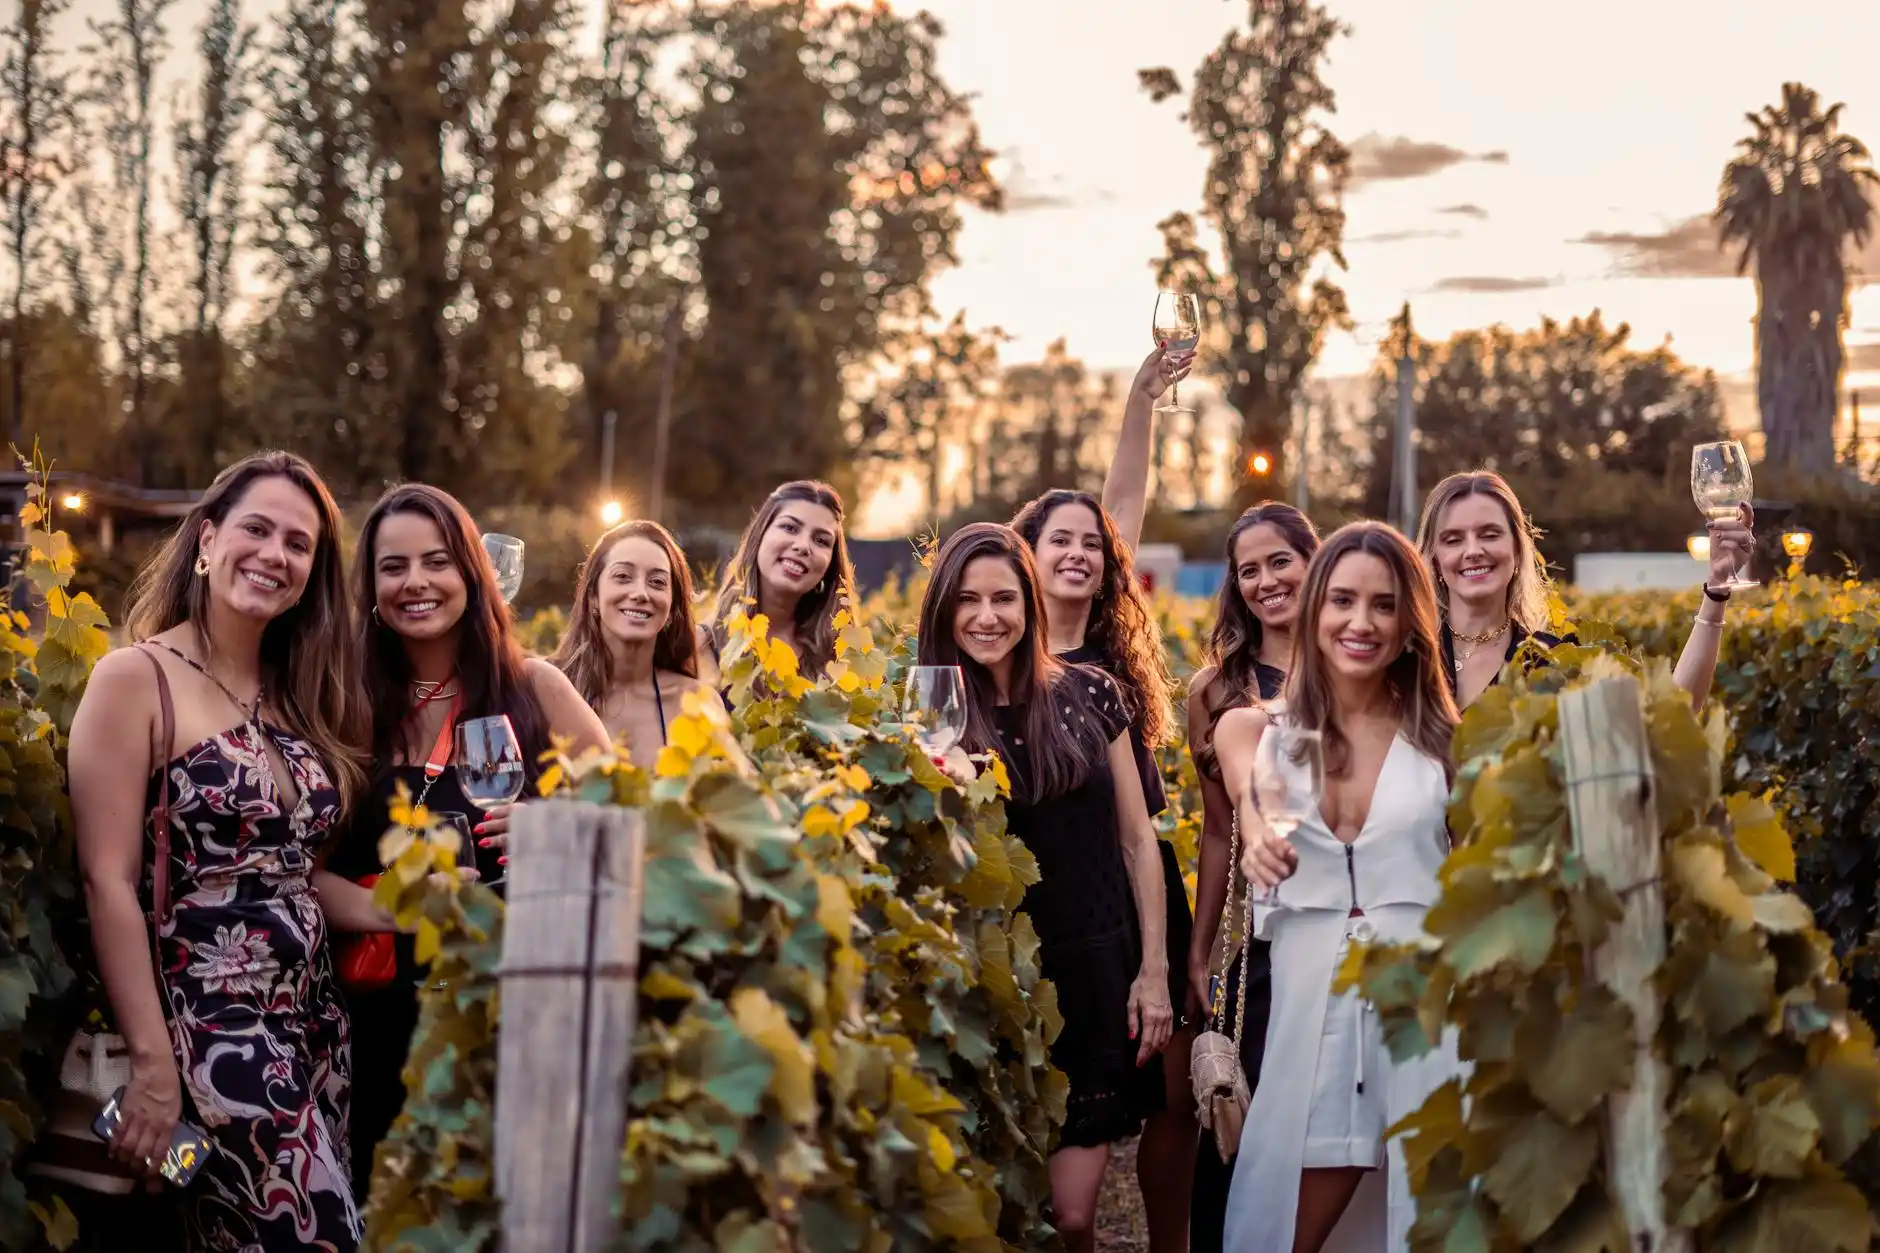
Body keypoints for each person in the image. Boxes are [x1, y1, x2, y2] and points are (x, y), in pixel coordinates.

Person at [68, 451, 379, 1250]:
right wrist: (151, 1065)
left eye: (299, 544)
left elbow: (296, 874)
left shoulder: (297, 693)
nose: (276, 554)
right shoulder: (134, 679)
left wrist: (428, 909)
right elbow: (108, 882)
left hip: (312, 1027)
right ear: (206, 543)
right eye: (257, 529)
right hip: (211, 1036)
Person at [328, 483, 609, 1200]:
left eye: (437, 561)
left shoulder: (535, 689)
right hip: (372, 1022)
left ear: (471, 574)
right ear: (371, 585)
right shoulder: (344, 704)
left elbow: (631, 817)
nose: (415, 582)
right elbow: (294, 864)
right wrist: (383, 910)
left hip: (508, 1013)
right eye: (393, 567)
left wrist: (555, 826)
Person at [916, 523, 1174, 1253]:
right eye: (967, 600)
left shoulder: (1093, 691)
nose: (986, 615)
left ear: (1030, 602)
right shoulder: (934, 712)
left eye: (1003, 597)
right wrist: (944, 785)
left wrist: (1152, 971)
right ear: (943, 611)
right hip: (997, 983)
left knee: (1071, 1218)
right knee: (1003, 1216)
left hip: (1093, 972)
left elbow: (1136, 839)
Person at [1217, 522, 1463, 1253]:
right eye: (1344, 600)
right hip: (1312, 1020)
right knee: (1287, 1224)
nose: (1362, 622)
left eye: (1385, 605)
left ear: (1411, 623)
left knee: (1427, 1216)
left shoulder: (1449, 743)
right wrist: (1260, 835)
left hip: (1426, 1014)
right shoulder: (1257, 730)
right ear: (1315, 607)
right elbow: (1250, 795)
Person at [1182, 502, 1319, 1253]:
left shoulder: (1361, 661)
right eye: (1250, 569)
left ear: (1313, 560)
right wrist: (1203, 951)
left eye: (1281, 561)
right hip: (1264, 936)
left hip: (1348, 929)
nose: (1267, 580)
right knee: (1237, 1121)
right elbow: (1217, 832)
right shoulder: (1216, 688)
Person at [1416, 470, 1753, 710]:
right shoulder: (1406, 660)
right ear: (1434, 560)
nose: (1473, 550)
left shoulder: (1556, 662)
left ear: (1518, 550)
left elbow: (1671, 711)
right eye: (1453, 539)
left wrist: (1717, 590)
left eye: (1490, 534)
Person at [552, 519, 721, 763]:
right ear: (593, 596)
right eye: (623, 576)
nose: (641, 593)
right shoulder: (550, 688)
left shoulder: (697, 703)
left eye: (657, 582)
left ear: (673, 608)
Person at [699, 481, 856, 688]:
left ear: (830, 565)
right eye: (790, 528)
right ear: (760, 535)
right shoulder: (700, 646)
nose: (803, 546)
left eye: (821, 541)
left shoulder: (843, 658)